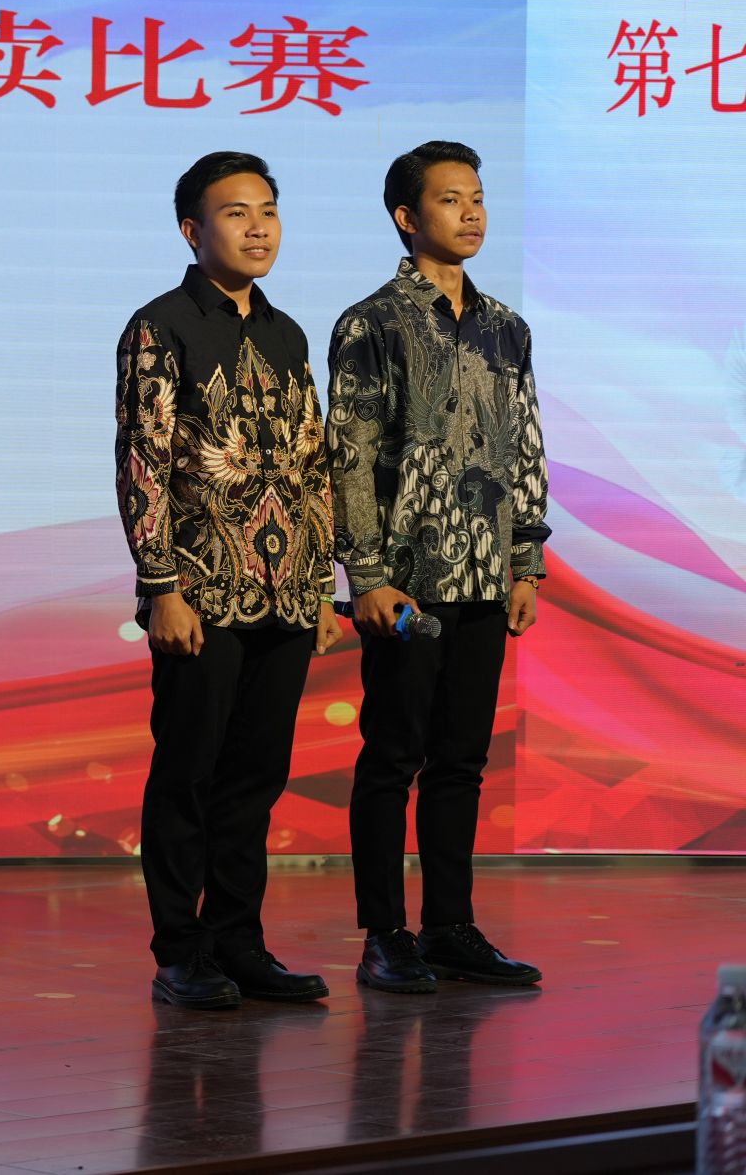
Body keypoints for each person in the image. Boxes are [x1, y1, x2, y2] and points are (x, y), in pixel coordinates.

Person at [115, 150, 342, 1011]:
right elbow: (142, 461)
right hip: (201, 595)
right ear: (192, 230)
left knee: (256, 778)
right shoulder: (161, 325)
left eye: (268, 211)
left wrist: (318, 582)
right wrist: (161, 585)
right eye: (236, 213)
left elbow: (312, 461)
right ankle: (181, 951)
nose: (258, 229)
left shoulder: (287, 333)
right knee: (188, 775)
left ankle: (240, 942)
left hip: (285, 595)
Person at [330, 140, 547, 993]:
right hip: (407, 582)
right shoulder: (373, 323)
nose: (472, 212)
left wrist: (525, 559)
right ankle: (385, 934)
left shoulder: (507, 328)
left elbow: (524, 445)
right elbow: (349, 456)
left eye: (478, 197)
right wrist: (366, 575)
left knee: (462, 760)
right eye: (451, 199)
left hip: (486, 577)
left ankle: (450, 925)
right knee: (393, 756)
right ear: (406, 216)